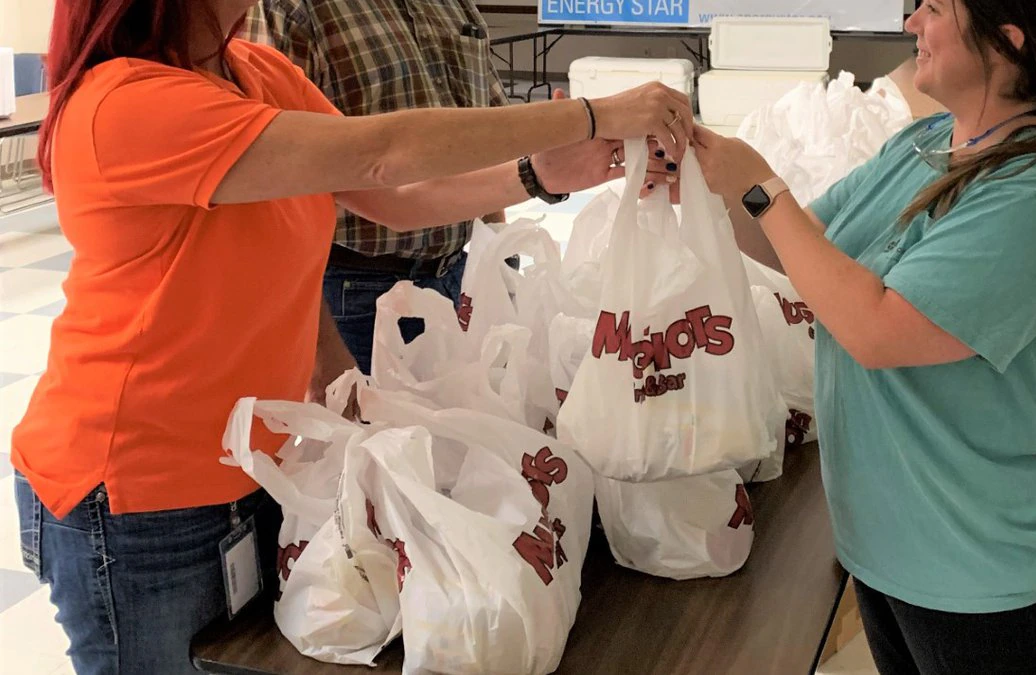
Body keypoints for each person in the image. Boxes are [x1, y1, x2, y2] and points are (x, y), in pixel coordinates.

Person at [10, 0, 691, 672]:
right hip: (138, 495)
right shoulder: (124, 105)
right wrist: (593, 114)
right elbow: (382, 156)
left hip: (257, 463)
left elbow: (390, 202)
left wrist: (537, 176)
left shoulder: (256, 72)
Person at [695, 0, 1036, 672]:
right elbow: (799, 246)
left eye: (932, 9)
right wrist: (694, 171)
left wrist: (758, 185)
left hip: (994, 578)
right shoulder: (924, 144)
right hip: (894, 550)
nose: (911, 26)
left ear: (1006, 43)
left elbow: (878, 329)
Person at [239, 0, 517, 394]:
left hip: (459, 278)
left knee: (465, 445)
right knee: (374, 448)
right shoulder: (289, 9)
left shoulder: (451, 5)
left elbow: (486, 143)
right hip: (353, 296)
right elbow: (265, 197)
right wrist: (321, 348)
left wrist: (501, 268)